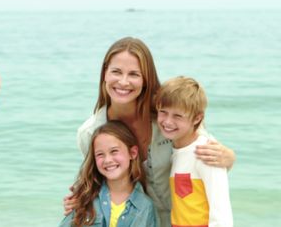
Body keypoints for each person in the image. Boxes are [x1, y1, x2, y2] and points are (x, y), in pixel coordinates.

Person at [64, 37, 235, 226]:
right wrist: (79, 199)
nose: (123, 81)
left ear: (146, 78)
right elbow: (97, 180)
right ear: (105, 73)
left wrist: (229, 157)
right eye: (116, 72)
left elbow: (206, 153)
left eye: (134, 74)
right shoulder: (90, 133)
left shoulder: (167, 117)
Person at [156, 76, 233, 227]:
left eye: (177, 116)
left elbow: (222, 214)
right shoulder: (174, 149)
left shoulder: (207, 153)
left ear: (197, 118)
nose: (168, 121)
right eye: (163, 112)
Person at [59, 121, 158, 227]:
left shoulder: (145, 207)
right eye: (100, 154)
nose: (107, 160)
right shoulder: (85, 198)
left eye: (114, 151)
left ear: (132, 153)